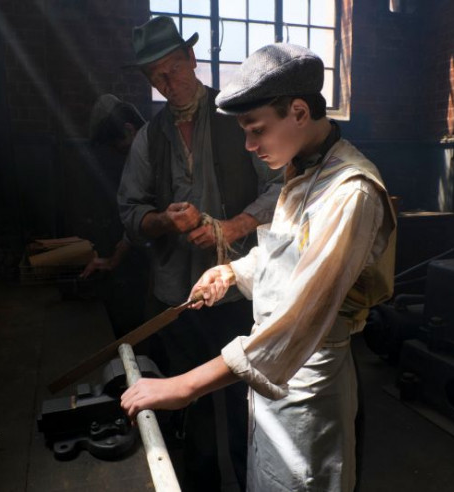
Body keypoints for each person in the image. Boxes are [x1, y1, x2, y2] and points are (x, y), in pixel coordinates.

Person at [120, 43, 397, 492]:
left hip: (307, 385)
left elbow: (297, 325)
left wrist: (185, 386)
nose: (249, 145)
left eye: (256, 130)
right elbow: (284, 256)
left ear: (299, 112)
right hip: (269, 380)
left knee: (297, 481)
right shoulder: (302, 171)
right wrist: (233, 272)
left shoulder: (350, 193)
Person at [117, 16, 282, 492]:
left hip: (239, 296)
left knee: (246, 404)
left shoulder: (239, 120)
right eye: (156, 78)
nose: (168, 84)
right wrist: (164, 221)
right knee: (188, 406)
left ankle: (253, 481)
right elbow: (129, 212)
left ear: (191, 59)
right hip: (180, 301)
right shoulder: (150, 137)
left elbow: (281, 188)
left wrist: (234, 226)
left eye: (173, 70)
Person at [77, 94, 149, 339]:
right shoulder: (141, 156)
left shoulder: (157, 154)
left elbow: (145, 221)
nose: (122, 155)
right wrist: (112, 260)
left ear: (129, 130)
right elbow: (137, 225)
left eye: (120, 147)